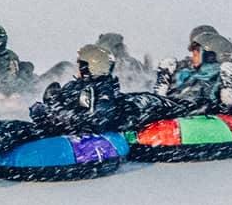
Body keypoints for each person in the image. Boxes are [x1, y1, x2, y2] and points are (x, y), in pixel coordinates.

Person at [30, 42, 178, 135]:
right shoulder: (74, 86)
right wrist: (47, 106)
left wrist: (55, 111)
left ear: (87, 67)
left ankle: (163, 83)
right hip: (128, 102)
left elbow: (97, 122)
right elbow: (63, 113)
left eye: (79, 63)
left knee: (174, 105)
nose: (77, 67)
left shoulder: (102, 90)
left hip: (140, 106)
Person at [155, 26, 232, 115]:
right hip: (191, 103)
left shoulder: (231, 66)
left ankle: (228, 101)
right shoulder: (187, 69)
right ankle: (162, 92)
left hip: (200, 106)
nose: (193, 56)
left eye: (196, 53)